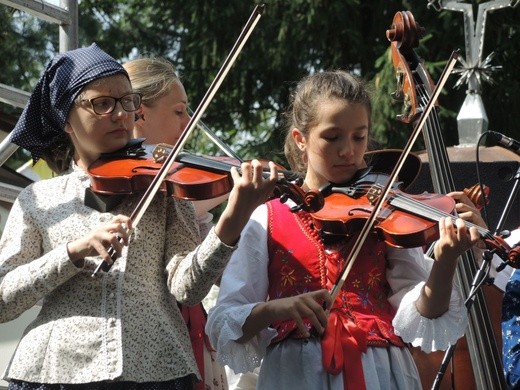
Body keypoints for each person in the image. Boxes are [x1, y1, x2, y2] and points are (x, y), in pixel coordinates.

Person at [0, 43, 278, 390]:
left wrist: (232, 221)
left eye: (127, 102)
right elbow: (3, 301)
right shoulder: (39, 199)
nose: (120, 114)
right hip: (54, 371)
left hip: (156, 370)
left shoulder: (163, 187)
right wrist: (72, 252)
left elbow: (187, 289)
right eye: (102, 104)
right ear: (66, 118)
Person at [205, 70, 481, 389]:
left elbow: (424, 311)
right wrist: (275, 309)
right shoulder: (266, 218)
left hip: (382, 373)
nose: (348, 150)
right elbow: (226, 319)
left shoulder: (383, 213)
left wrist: (446, 261)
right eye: (332, 137)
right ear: (301, 139)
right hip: (297, 375)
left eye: (358, 136)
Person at [123, 56, 229, 390]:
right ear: (140, 112)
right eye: (179, 111)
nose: (189, 123)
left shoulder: (177, 176)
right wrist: (233, 190)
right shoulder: (118, 180)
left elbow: (210, 274)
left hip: (186, 327)